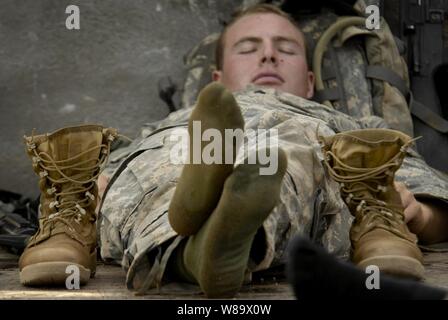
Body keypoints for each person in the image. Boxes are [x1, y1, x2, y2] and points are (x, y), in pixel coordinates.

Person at [18, 4, 448, 298]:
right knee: (160, 167)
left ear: (311, 82)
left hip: (302, 151)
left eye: (286, 49)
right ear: (219, 77)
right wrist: (97, 191)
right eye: (249, 47)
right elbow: (112, 178)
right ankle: (206, 243)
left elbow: (434, 197)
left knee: (284, 154)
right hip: (182, 148)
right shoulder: (167, 125)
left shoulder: (352, 128)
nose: (268, 55)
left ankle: (205, 241)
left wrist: (418, 212)